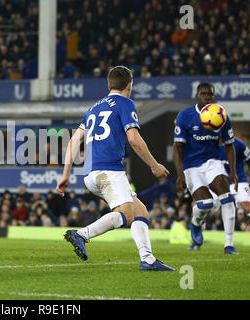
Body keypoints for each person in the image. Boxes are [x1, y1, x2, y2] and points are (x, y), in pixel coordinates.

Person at [56, 66, 174, 271]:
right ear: (130, 85)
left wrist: (65, 174)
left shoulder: (93, 108)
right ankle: (82, 234)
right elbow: (134, 139)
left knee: (140, 213)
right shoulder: (125, 103)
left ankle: (147, 259)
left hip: (90, 174)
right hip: (109, 171)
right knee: (126, 215)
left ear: (108, 85)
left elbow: (74, 140)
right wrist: (154, 165)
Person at [173, 82, 239, 254]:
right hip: (191, 167)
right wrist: (180, 175)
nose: (207, 97)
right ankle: (195, 224)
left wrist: (233, 172)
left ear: (213, 96)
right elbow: (177, 147)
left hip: (213, 162)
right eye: (203, 94)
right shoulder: (185, 115)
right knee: (206, 204)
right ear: (197, 96)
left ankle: (229, 244)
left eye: (210, 94)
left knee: (226, 197)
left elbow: (229, 145)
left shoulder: (221, 116)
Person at [220, 137, 250, 243]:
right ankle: (197, 240)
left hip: (239, 181)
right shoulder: (210, 144)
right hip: (220, 182)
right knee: (204, 208)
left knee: (248, 207)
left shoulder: (238, 144)